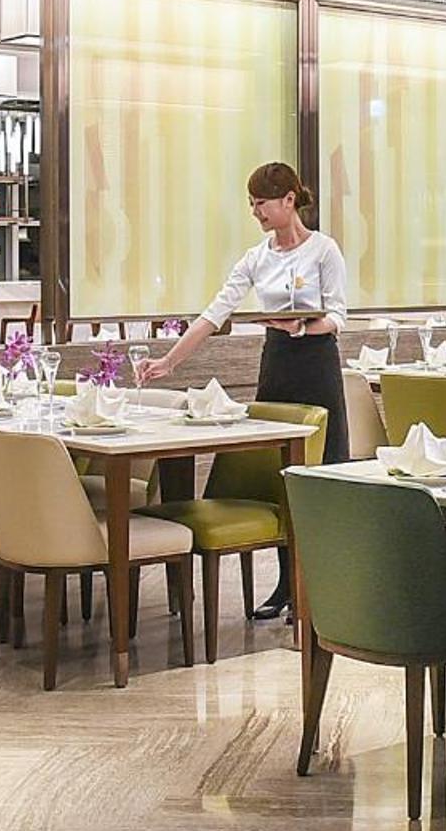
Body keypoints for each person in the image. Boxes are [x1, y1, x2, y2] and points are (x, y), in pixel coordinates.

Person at [136, 162, 347, 619]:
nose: (256, 212)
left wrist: (302, 328)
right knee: (280, 477)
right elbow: (214, 314)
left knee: (321, 476)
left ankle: (326, 592)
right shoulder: (256, 257)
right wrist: (168, 362)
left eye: (262, 203)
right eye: (251, 204)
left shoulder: (324, 250)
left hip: (317, 364)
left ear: (289, 199)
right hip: (277, 363)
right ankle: (287, 587)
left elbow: (337, 317)